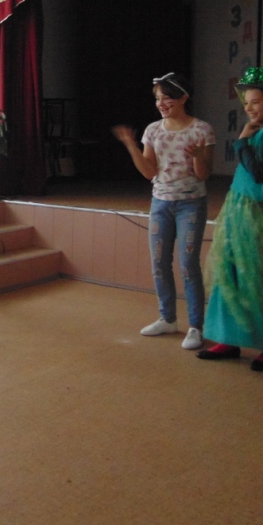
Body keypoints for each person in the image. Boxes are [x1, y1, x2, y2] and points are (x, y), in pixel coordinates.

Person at [197, 66, 263, 371]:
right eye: (246, 102)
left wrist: (241, 141)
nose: (249, 108)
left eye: (256, 102)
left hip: (255, 214)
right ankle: (227, 338)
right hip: (239, 208)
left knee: (253, 277)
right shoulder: (262, 130)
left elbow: (258, 173)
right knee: (229, 273)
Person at [112, 72, 215, 351]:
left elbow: (203, 175)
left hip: (191, 204)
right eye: (158, 98)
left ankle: (196, 327)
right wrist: (131, 145)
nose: (161, 103)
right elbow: (149, 171)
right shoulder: (153, 130)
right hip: (160, 203)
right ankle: (167, 318)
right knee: (159, 263)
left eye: (167, 97)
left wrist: (198, 157)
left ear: (183, 97)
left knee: (188, 264)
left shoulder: (201, 129)